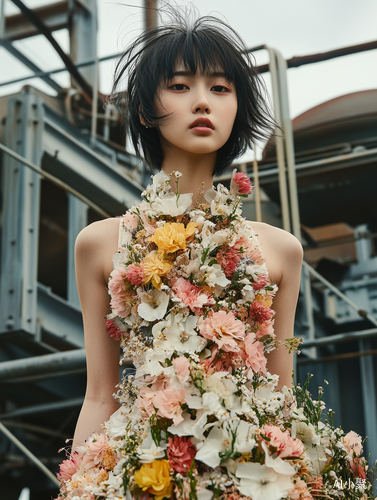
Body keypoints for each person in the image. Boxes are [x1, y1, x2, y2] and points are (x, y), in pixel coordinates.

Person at [71, 11, 303, 451]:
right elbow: (100, 396)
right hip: (146, 467)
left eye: (220, 88)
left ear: (237, 108)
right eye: (179, 86)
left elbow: (281, 397)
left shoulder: (280, 250)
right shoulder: (100, 244)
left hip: (249, 469)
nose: (202, 102)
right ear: (143, 110)